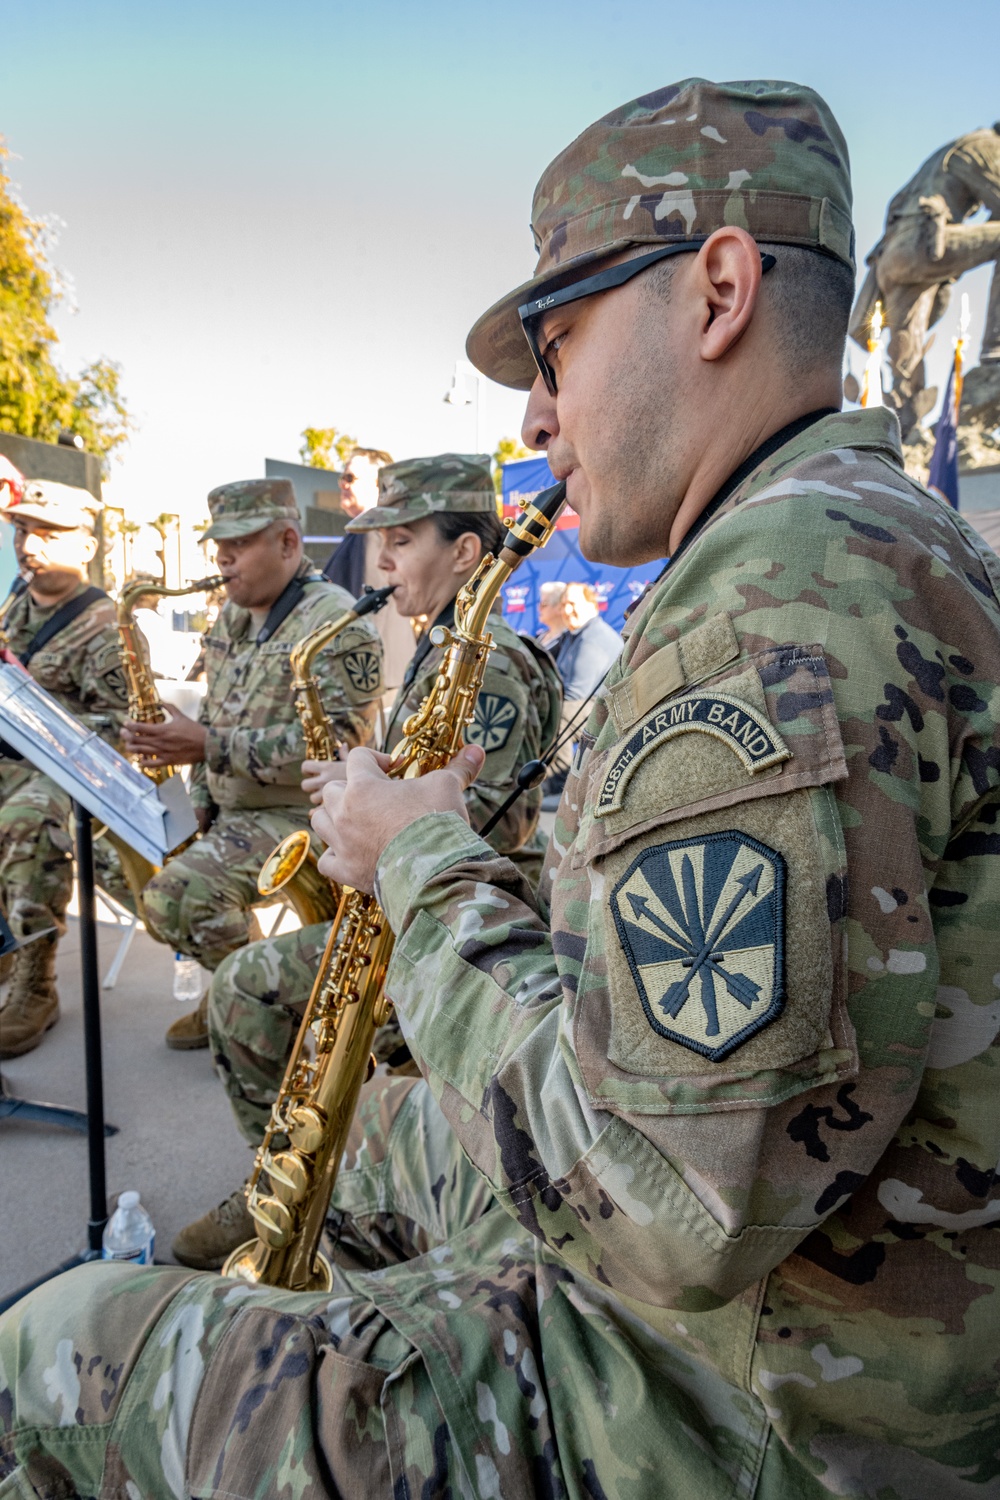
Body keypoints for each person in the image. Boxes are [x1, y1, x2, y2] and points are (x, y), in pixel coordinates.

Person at [7, 76, 1000, 1499]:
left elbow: (660, 1205)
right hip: (804, 1314)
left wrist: (418, 862)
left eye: (557, 343)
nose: (535, 415)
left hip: (746, 1403)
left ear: (720, 292)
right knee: (367, 1145)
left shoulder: (780, 603)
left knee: (53, 1347)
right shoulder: (854, 539)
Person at [170, 453, 562, 1269]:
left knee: (244, 992)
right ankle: (306, 1179)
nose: (380, 562)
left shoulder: (488, 661)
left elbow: (490, 827)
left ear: (465, 553)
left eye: (403, 540)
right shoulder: (437, 646)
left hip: (457, 926)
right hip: (411, 898)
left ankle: (297, 1190)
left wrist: (373, 808)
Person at [123, 477, 384, 1050]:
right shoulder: (231, 619)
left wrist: (208, 746)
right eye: (219, 546)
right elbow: (216, 717)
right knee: (124, 866)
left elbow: (341, 749)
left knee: (176, 899)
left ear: (288, 542)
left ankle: (254, 994)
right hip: (236, 811)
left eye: (239, 543)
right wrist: (197, 803)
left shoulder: (336, 622)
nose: (222, 558)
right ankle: (240, 988)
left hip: (303, 817)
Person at [0, 481, 133, 1058]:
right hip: (14, 760)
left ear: (86, 546)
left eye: (48, 534)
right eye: (23, 531)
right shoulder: (15, 603)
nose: (29, 545)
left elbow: (123, 730)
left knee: (26, 821)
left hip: (72, 771)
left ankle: (37, 982)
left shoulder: (107, 625)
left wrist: (43, 718)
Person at [848, 123, 1000, 437]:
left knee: (908, 345)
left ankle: (906, 427)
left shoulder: (955, 147)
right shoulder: (986, 147)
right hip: (924, 244)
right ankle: (995, 350)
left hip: (895, 255)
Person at [323, 444, 417, 700]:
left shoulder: (373, 534)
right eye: (342, 477)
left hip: (372, 678)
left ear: (378, 485)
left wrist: (358, 677)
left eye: (350, 477)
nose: (342, 484)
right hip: (373, 674)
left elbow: (371, 607)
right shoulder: (364, 532)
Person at [542, 579, 623, 803]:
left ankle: (559, 785)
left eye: (573, 603)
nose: (568, 610)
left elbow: (575, 693)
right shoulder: (573, 635)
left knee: (559, 716)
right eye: (564, 605)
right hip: (587, 703)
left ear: (592, 604)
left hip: (608, 708)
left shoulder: (592, 639)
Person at [535, 577, 568, 648]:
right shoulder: (538, 638)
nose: (539, 608)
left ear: (560, 607)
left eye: (544, 604)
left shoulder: (570, 641)